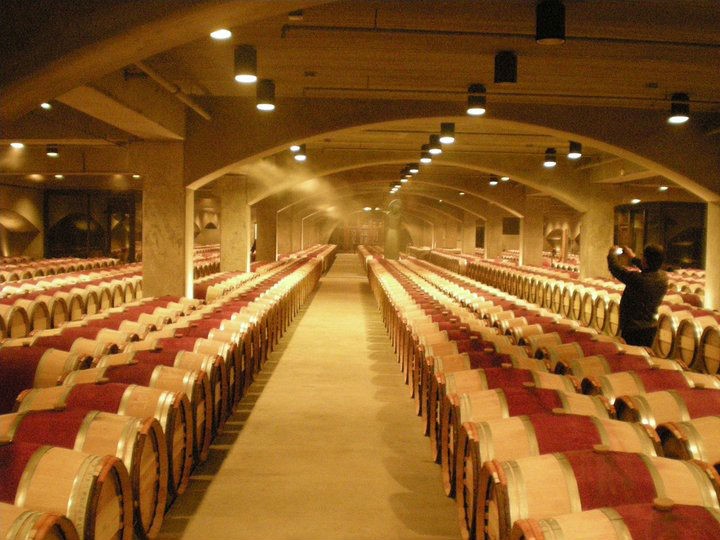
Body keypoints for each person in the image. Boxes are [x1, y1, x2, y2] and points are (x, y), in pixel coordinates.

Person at [607, 244, 668, 347]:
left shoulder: (638, 279)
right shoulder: (663, 277)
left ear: (645, 260)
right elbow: (649, 268)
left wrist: (612, 253)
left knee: (632, 354)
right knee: (643, 354)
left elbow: (616, 269)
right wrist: (632, 257)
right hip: (650, 327)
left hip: (633, 329)